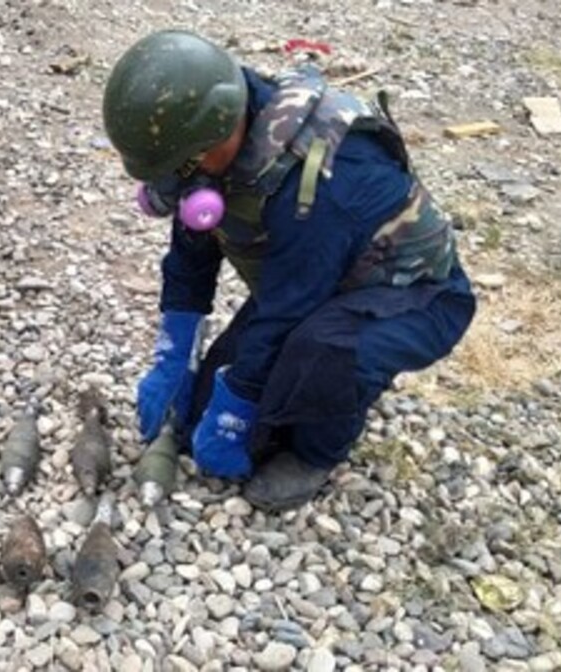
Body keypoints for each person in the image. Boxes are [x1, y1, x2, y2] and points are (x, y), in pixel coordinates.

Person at [102, 29, 477, 512]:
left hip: (416, 298)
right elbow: (190, 258)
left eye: (184, 163)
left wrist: (237, 406)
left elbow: (285, 309)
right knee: (196, 422)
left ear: (223, 125)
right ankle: (300, 401)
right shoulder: (208, 154)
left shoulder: (318, 179)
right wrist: (174, 354)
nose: (181, 177)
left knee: (322, 352)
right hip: (316, 275)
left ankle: (316, 454)